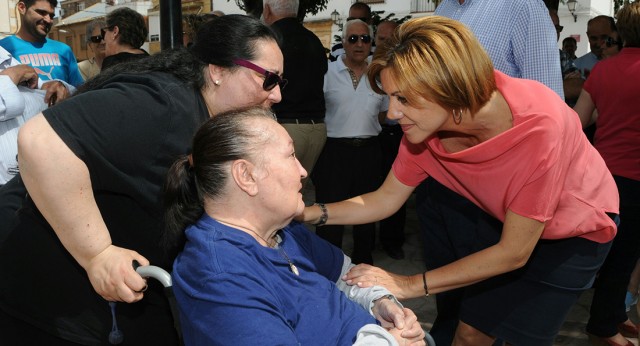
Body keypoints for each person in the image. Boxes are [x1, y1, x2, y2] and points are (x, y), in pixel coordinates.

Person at [300, 16, 619, 346]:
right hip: (509, 226)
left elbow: (514, 252)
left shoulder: (539, 126)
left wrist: (407, 284)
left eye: (404, 99)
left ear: (448, 87)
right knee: (469, 334)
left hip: (575, 234)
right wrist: (305, 212)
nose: (392, 113)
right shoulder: (424, 131)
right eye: (391, 97)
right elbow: (384, 200)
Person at [0, 14, 285, 345]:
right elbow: (41, 141)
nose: (277, 95)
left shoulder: (207, 118)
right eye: (268, 79)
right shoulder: (163, 105)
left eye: (281, 82)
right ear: (219, 71)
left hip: (115, 278)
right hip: (39, 276)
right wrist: (98, 254)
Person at [164, 106, 426, 346]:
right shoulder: (218, 275)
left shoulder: (281, 230)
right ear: (246, 175)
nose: (302, 171)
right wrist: (389, 342)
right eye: (291, 155)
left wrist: (378, 303)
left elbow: (346, 274)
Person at [415, 1, 566, 343]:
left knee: (481, 315)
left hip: (491, 189)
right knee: (450, 301)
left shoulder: (522, 6)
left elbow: (550, 106)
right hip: (439, 180)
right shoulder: (445, 10)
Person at [573, 3, 640, 345]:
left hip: (604, 177)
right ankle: (604, 325)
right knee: (623, 257)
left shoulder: (602, 71)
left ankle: (613, 315)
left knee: (611, 253)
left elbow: (577, 123)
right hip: (635, 179)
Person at [313, 19, 387, 265]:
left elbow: (385, 114)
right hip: (334, 153)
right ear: (343, 42)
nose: (359, 44)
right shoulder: (326, 72)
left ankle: (363, 266)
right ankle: (328, 267)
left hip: (369, 152)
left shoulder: (380, 75)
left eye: (364, 39)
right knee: (330, 214)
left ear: (371, 43)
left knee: (366, 214)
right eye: (353, 38)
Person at [262, 0, 327, 199]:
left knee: (276, 196)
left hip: (287, 128)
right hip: (317, 130)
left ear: (267, 10)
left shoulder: (271, 40)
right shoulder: (314, 39)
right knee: (299, 194)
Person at [1, 46, 71, 186]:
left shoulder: (4, 56)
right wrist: (10, 77)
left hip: (34, 178)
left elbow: (41, 90)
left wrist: (58, 86)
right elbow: (10, 102)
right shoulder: (12, 68)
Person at [374, 19, 406, 260]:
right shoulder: (367, 68)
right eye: (380, 38)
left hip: (399, 137)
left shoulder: (406, 70)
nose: (383, 43)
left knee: (397, 190)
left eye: (389, 39)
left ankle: (392, 241)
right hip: (375, 137)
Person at [0, 0, 83, 87]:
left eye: (51, 16)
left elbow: (79, 91)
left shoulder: (64, 50)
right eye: (42, 12)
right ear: (22, 8)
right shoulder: (3, 49)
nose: (48, 20)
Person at [100, 7, 150, 71]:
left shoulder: (112, 66)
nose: (103, 39)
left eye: (104, 32)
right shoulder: (154, 63)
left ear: (115, 32)